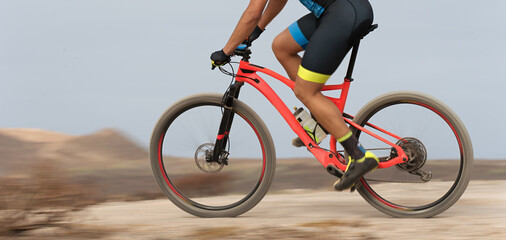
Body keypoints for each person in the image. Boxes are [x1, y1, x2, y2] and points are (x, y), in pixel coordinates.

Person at [210, 0, 378, 191]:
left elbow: (253, 12)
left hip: (343, 14)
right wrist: (257, 30)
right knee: (281, 46)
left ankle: (359, 155)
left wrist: (226, 51)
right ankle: (322, 120)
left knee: (305, 91)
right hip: (340, 11)